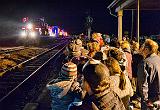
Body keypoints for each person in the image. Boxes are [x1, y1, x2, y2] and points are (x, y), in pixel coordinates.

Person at [137, 39, 160, 109]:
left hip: (150, 100)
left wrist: (145, 100)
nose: (141, 49)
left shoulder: (145, 63)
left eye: (142, 47)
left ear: (146, 49)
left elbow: (143, 84)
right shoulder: (158, 59)